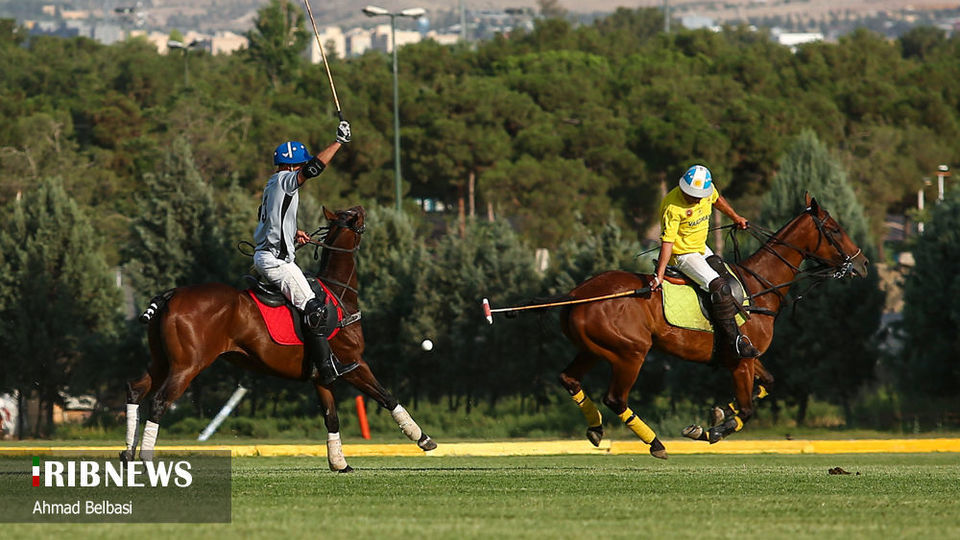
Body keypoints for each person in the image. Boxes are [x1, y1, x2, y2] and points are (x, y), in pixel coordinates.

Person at [253, 120, 354, 385]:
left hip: (267, 255)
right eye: (300, 165)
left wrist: (293, 232)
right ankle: (326, 369)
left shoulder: (272, 183)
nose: (302, 170)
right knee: (316, 310)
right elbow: (314, 168)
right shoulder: (287, 179)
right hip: (275, 261)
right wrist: (339, 143)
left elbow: (273, 219)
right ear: (291, 166)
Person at [651, 164, 760, 358]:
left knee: (729, 278)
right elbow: (667, 242)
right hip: (683, 254)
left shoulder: (707, 193)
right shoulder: (672, 206)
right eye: (689, 193)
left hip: (702, 247)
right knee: (719, 286)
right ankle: (734, 341)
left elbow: (717, 199)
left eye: (696, 195)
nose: (693, 198)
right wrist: (659, 275)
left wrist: (735, 217)